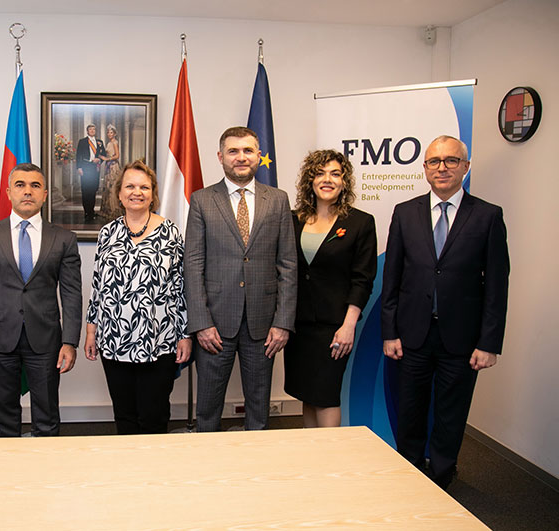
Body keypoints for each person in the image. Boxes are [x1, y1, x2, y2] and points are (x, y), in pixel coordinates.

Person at [381, 135, 509, 489]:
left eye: (451, 160)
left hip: (462, 339)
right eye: (434, 161)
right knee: (410, 409)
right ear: (424, 168)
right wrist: (390, 332)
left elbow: (497, 285)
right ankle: (409, 474)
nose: (442, 168)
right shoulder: (405, 213)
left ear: (465, 167)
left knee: (451, 413)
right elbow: (392, 277)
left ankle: (441, 476)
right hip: (412, 334)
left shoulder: (487, 216)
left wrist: (489, 343)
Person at [185, 126, 296, 432]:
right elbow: (193, 264)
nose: (241, 157)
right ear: (220, 156)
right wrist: (201, 323)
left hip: (263, 324)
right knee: (208, 409)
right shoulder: (202, 200)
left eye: (248, 150)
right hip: (214, 324)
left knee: (259, 410)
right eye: (233, 151)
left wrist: (283, 322)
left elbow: (288, 264)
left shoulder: (278, 200)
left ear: (258, 155)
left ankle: (255, 459)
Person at [0, 163, 82, 437]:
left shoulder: (63, 239)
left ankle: (46, 462)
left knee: (47, 415)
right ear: (8, 192)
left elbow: (71, 294)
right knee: (5, 415)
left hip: (46, 339)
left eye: (35, 186)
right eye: (20, 185)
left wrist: (70, 341)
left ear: (44, 194)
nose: (27, 191)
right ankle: (9, 463)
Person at [84, 160, 191, 434]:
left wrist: (185, 335)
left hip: (159, 340)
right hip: (113, 339)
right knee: (125, 416)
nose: (137, 192)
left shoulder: (171, 233)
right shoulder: (107, 233)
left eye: (144, 187)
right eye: (130, 186)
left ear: (153, 194)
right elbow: (98, 286)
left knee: (154, 416)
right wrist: (91, 331)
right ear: (119, 193)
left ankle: (154, 464)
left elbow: (181, 288)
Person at [283, 150, 377, 428]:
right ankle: (313, 451)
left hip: (334, 326)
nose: (327, 179)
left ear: (344, 182)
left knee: (325, 395)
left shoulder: (360, 222)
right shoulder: (293, 219)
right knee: (307, 393)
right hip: (298, 325)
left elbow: (362, 279)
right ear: (309, 180)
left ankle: (331, 453)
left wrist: (348, 326)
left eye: (335, 174)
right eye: (320, 173)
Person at [76, 124, 106, 222]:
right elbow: (78, 155)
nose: (92, 131)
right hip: (85, 167)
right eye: (90, 129)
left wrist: (99, 160)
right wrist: (79, 167)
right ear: (87, 131)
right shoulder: (82, 141)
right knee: (85, 190)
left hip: (95, 168)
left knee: (93, 190)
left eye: (93, 129)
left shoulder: (99, 142)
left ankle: (92, 211)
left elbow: (104, 154)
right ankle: (86, 212)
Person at [98, 124, 122, 222]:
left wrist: (107, 159)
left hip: (113, 166)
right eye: (108, 132)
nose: (109, 134)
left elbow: (117, 156)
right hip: (108, 166)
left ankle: (114, 210)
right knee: (107, 187)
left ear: (114, 134)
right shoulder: (109, 143)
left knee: (112, 187)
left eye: (111, 132)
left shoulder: (115, 142)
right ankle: (107, 210)